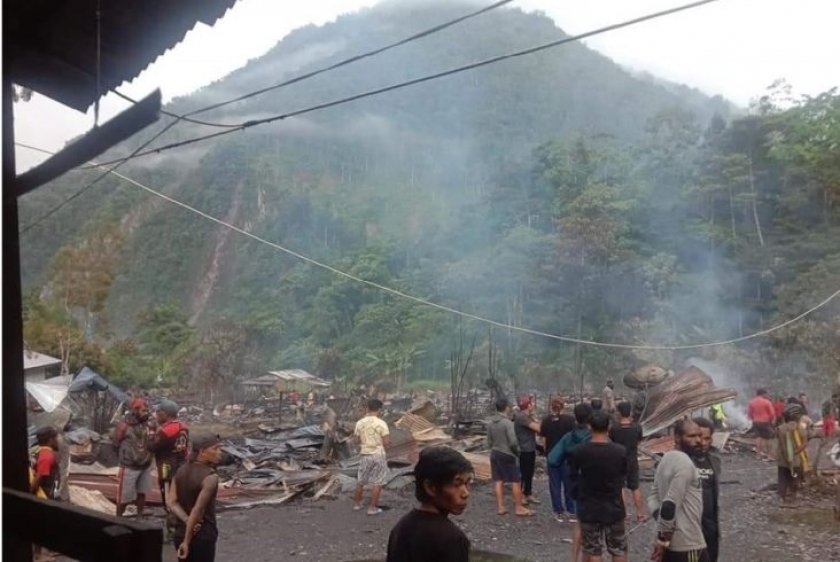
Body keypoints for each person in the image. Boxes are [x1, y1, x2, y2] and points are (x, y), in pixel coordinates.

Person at [386, 446, 473, 562]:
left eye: (467, 483)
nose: (465, 493)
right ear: (431, 487)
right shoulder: (452, 539)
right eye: (456, 484)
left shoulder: (401, 526)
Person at [571, 411, 628, 562]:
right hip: (614, 505)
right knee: (619, 549)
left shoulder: (579, 451)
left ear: (590, 426)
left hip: (589, 506)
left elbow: (573, 476)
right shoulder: (620, 451)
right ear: (609, 426)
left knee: (593, 550)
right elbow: (623, 477)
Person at [648, 419, 708, 562]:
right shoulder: (685, 464)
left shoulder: (666, 458)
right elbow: (670, 505)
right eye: (691, 436)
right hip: (687, 544)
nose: (698, 440)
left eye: (699, 435)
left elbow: (652, 498)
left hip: (670, 542)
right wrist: (662, 541)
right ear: (677, 437)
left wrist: (661, 521)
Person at [548, 402, 593, 562]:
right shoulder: (595, 436)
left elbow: (552, 459)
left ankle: (574, 559)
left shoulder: (568, 438)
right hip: (596, 485)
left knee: (580, 524)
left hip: (577, 483)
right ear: (590, 417)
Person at [168, 433, 222, 562]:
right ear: (202, 452)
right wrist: (187, 541)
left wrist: (186, 521)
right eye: (215, 448)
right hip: (202, 535)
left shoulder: (180, 471)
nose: (220, 452)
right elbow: (197, 510)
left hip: (179, 533)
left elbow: (172, 502)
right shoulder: (210, 477)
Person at [149, 400, 190, 539]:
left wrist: (151, 432)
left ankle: (174, 530)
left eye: (158, 413)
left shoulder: (166, 430)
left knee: (169, 499)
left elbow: (152, 447)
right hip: (182, 465)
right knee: (181, 496)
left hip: (168, 467)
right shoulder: (183, 426)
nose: (156, 415)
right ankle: (181, 526)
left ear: (164, 414)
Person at [487, 398, 531, 516]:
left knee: (498, 480)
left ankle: (501, 507)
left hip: (494, 453)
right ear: (506, 408)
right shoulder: (507, 423)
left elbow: (489, 442)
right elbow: (512, 442)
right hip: (507, 454)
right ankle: (518, 508)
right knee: (516, 481)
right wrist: (517, 452)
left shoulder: (490, 423)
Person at [114, 398, 154, 517]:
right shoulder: (124, 425)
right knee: (124, 497)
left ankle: (139, 517)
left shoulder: (148, 424)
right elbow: (116, 443)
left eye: (147, 410)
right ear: (135, 410)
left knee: (142, 493)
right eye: (143, 410)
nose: (146, 413)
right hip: (129, 466)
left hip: (145, 465)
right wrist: (126, 456)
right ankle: (118, 519)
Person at [609, 401, 646, 522]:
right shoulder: (637, 427)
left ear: (619, 412)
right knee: (635, 487)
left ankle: (624, 515)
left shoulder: (614, 428)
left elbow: (612, 442)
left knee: (621, 488)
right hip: (632, 460)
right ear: (629, 412)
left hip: (618, 461)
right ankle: (640, 514)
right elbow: (639, 441)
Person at [353, 398, 391, 515]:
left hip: (365, 455)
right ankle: (372, 508)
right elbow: (386, 442)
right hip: (378, 455)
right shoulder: (382, 423)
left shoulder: (359, 423)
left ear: (367, 408)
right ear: (379, 410)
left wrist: (361, 448)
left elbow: (355, 439)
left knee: (360, 481)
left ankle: (357, 505)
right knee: (377, 482)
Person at [541, 396, 576, 520]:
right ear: (563, 406)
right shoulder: (571, 420)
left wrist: (546, 453)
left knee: (554, 484)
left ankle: (557, 510)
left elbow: (544, 440)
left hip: (552, 456)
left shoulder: (545, 421)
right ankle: (571, 509)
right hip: (567, 457)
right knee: (569, 483)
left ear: (551, 406)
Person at [692, 418, 722, 562]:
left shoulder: (714, 459)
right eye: (699, 438)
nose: (703, 443)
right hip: (690, 528)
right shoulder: (681, 459)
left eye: (707, 438)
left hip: (711, 525)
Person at [777, 403, 809, 508]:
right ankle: (793, 498)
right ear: (796, 416)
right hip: (795, 460)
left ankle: (781, 498)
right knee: (794, 478)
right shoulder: (800, 428)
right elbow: (805, 444)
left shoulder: (781, 428)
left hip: (782, 459)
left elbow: (781, 445)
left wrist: (787, 456)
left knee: (782, 478)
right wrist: (795, 452)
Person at [514, 395, 542, 505]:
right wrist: (536, 419)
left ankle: (528, 493)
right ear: (528, 405)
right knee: (523, 473)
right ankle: (520, 496)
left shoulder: (527, 416)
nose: (534, 405)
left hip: (530, 448)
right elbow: (538, 428)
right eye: (532, 403)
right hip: (524, 449)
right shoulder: (522, 417)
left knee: (529, 473)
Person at [30, 426, 60, 499]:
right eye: (56, 438)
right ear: (51, 440)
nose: (58, 441)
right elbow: (36, 482)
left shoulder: (38, 451)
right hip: (43, 498)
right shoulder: (46, 456)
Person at [747, 389, 775, 460]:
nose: (767, 395)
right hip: (765, 422)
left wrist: (753, 419)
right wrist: (771, 420)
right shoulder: (767, 402)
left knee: (758, 438)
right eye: (766, 394)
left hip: (756, 421)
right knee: (768, 438)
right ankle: (770, 456)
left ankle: (758, 455)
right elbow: (772, 414)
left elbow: (749, 414)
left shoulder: (752, 402)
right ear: (763, 394)